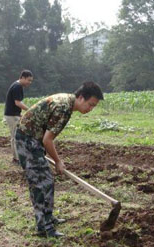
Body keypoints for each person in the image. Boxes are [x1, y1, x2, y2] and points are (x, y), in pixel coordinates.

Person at [15, 81, 104, 238]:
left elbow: (45, 137)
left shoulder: (67, 101)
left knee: (46, 180)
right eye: (90, 105)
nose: (90, 109)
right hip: (27, 140)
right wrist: (58, 161)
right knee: (41, 183)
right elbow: (47, 140)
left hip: (32, 138)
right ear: (81, 98)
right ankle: (44, 227)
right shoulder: (63, 108)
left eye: (93, 107)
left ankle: (48, 217)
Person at [4, 70, 34, 162]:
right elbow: (17, 103)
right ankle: (16, 158)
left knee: (18, 136)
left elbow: (15, 103)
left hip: (13, 114)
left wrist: (20, 114)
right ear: (22, 77)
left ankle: (19, 156)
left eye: (31, 81)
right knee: (15, 137)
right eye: (28, 80)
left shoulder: (16, 85)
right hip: (11, 115)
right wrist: (30, 110)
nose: (29, 83)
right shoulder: (18, 87)